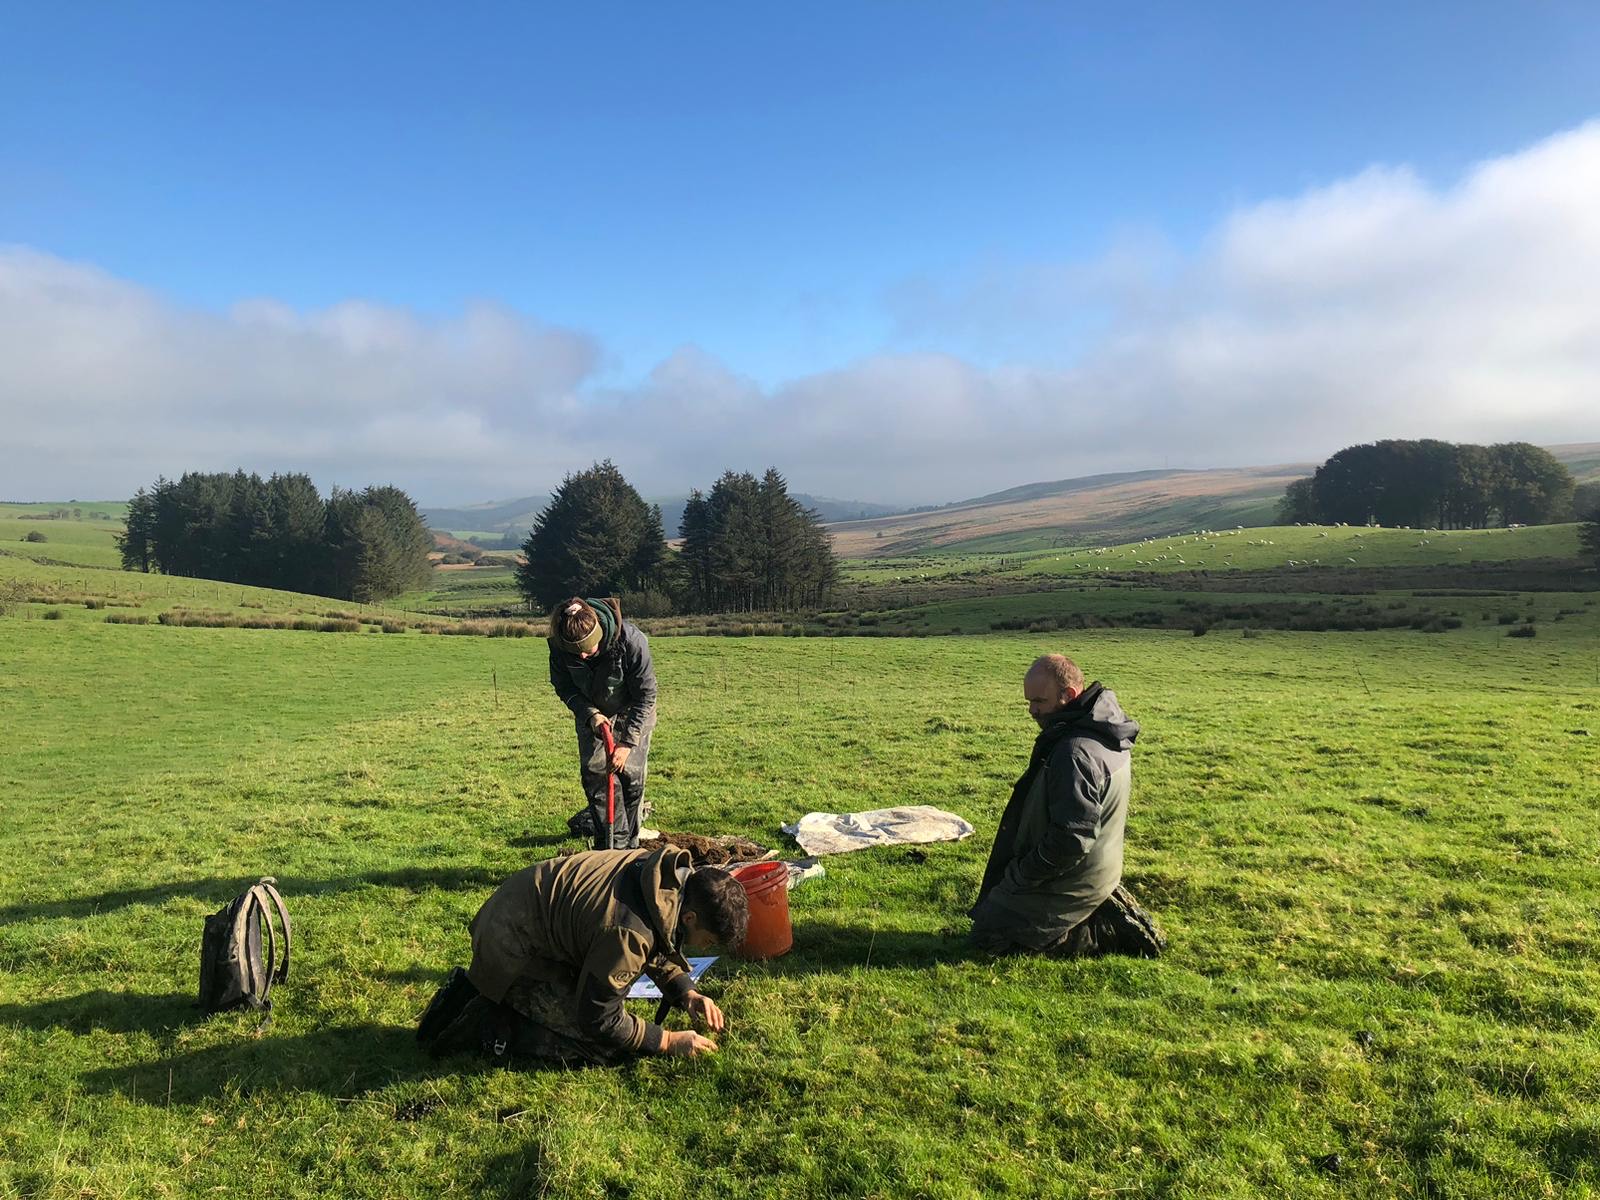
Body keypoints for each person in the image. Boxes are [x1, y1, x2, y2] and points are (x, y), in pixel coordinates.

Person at [418, 846, 748, 1065]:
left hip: (525, 921)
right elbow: (599, 1019)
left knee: (607, 1012)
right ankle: (485, 1023)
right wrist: (667, 1041)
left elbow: (660, 931)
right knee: (605, 1047)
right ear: (690, 917)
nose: (703, 949)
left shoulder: (664, 877)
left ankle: (485, 992)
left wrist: (685, 991)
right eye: (706, 941)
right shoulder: (627, 935)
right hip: (511, 947)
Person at [968, 652, 1166, 959]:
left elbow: (1071, 840)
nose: (1031, 711)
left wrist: (1022, 875)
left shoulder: (1074, 752)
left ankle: (1098, 932)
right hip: (1102, 863)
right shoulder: (1104, 729)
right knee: (994, 910)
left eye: (1039, 702)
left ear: (1069, 695)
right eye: (1028, 702)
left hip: (1076, 873)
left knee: (990, 934)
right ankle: (1094, 909)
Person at [547, 596, 657, 849]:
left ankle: (630, 845)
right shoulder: (560, 646)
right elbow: (564, 687)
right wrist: (590, 714)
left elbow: (646, 694)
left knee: (630, 776)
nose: (583, 655)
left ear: (600, 632)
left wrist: (628, 742)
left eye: (589, 649)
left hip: (633, 710)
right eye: (577, 652)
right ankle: (609, 843)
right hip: (593, 714)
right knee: (595, 774)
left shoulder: (631, 640)